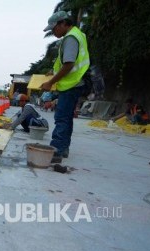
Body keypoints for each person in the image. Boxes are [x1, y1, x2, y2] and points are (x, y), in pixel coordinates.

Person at [40, 11, 90, 163]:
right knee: (67, 118)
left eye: (54, 28)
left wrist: (50, 82)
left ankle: (56, 149)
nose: (53, 32)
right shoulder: (77, 34)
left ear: (63, 23)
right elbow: (67, 62)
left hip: (71, 84)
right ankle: (63, 148)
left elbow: (69, 64)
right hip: (76, 83)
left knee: (61, 117)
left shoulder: (70, 38)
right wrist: (53, 72)